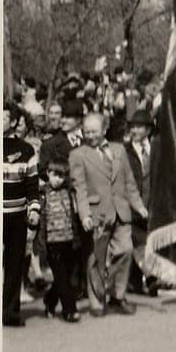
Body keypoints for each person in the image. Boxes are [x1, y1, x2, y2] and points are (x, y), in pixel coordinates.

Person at [69, 111, 147, 317]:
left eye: (94, 131)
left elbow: (129, 183)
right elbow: (80, 188)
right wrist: (84, 214)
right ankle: (96, 300)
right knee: (96, 259)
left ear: (104, 129)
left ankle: (117, 295)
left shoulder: (119, 150)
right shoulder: (78, 155)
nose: (90, 135)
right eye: (86, 131)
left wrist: (139, 206)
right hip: (97, 214)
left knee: (126, 251)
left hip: (121, 212)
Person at [3, 104, 39, 328]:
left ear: (14, 122)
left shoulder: (26, 150)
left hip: (16, 216)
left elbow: (32, 185)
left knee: (15, 265)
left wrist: (33, 209)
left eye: (4, 117)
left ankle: (10, 311)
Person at [36, 159, 83, 322]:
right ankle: (69, 310)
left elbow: (74, 215)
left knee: (65, 275)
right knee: (61, 276)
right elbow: (39, 220)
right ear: (48, 174)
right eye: (55, 175)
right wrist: (40, 243)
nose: (58, 179)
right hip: (51, 241)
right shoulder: (42, 193)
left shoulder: (69, 192)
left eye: (62, 176)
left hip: (68, 239)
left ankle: (50, 299)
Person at [122, 110, 159, 298]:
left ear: (148, 129)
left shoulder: (157, 148)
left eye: (139, 127)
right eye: (133, 126)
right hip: (131, 204)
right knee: (137, 239)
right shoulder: (125, 150)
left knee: (147, 239)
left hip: (152, 203)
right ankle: (150, 276)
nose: (134, 130)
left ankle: (135, 282)